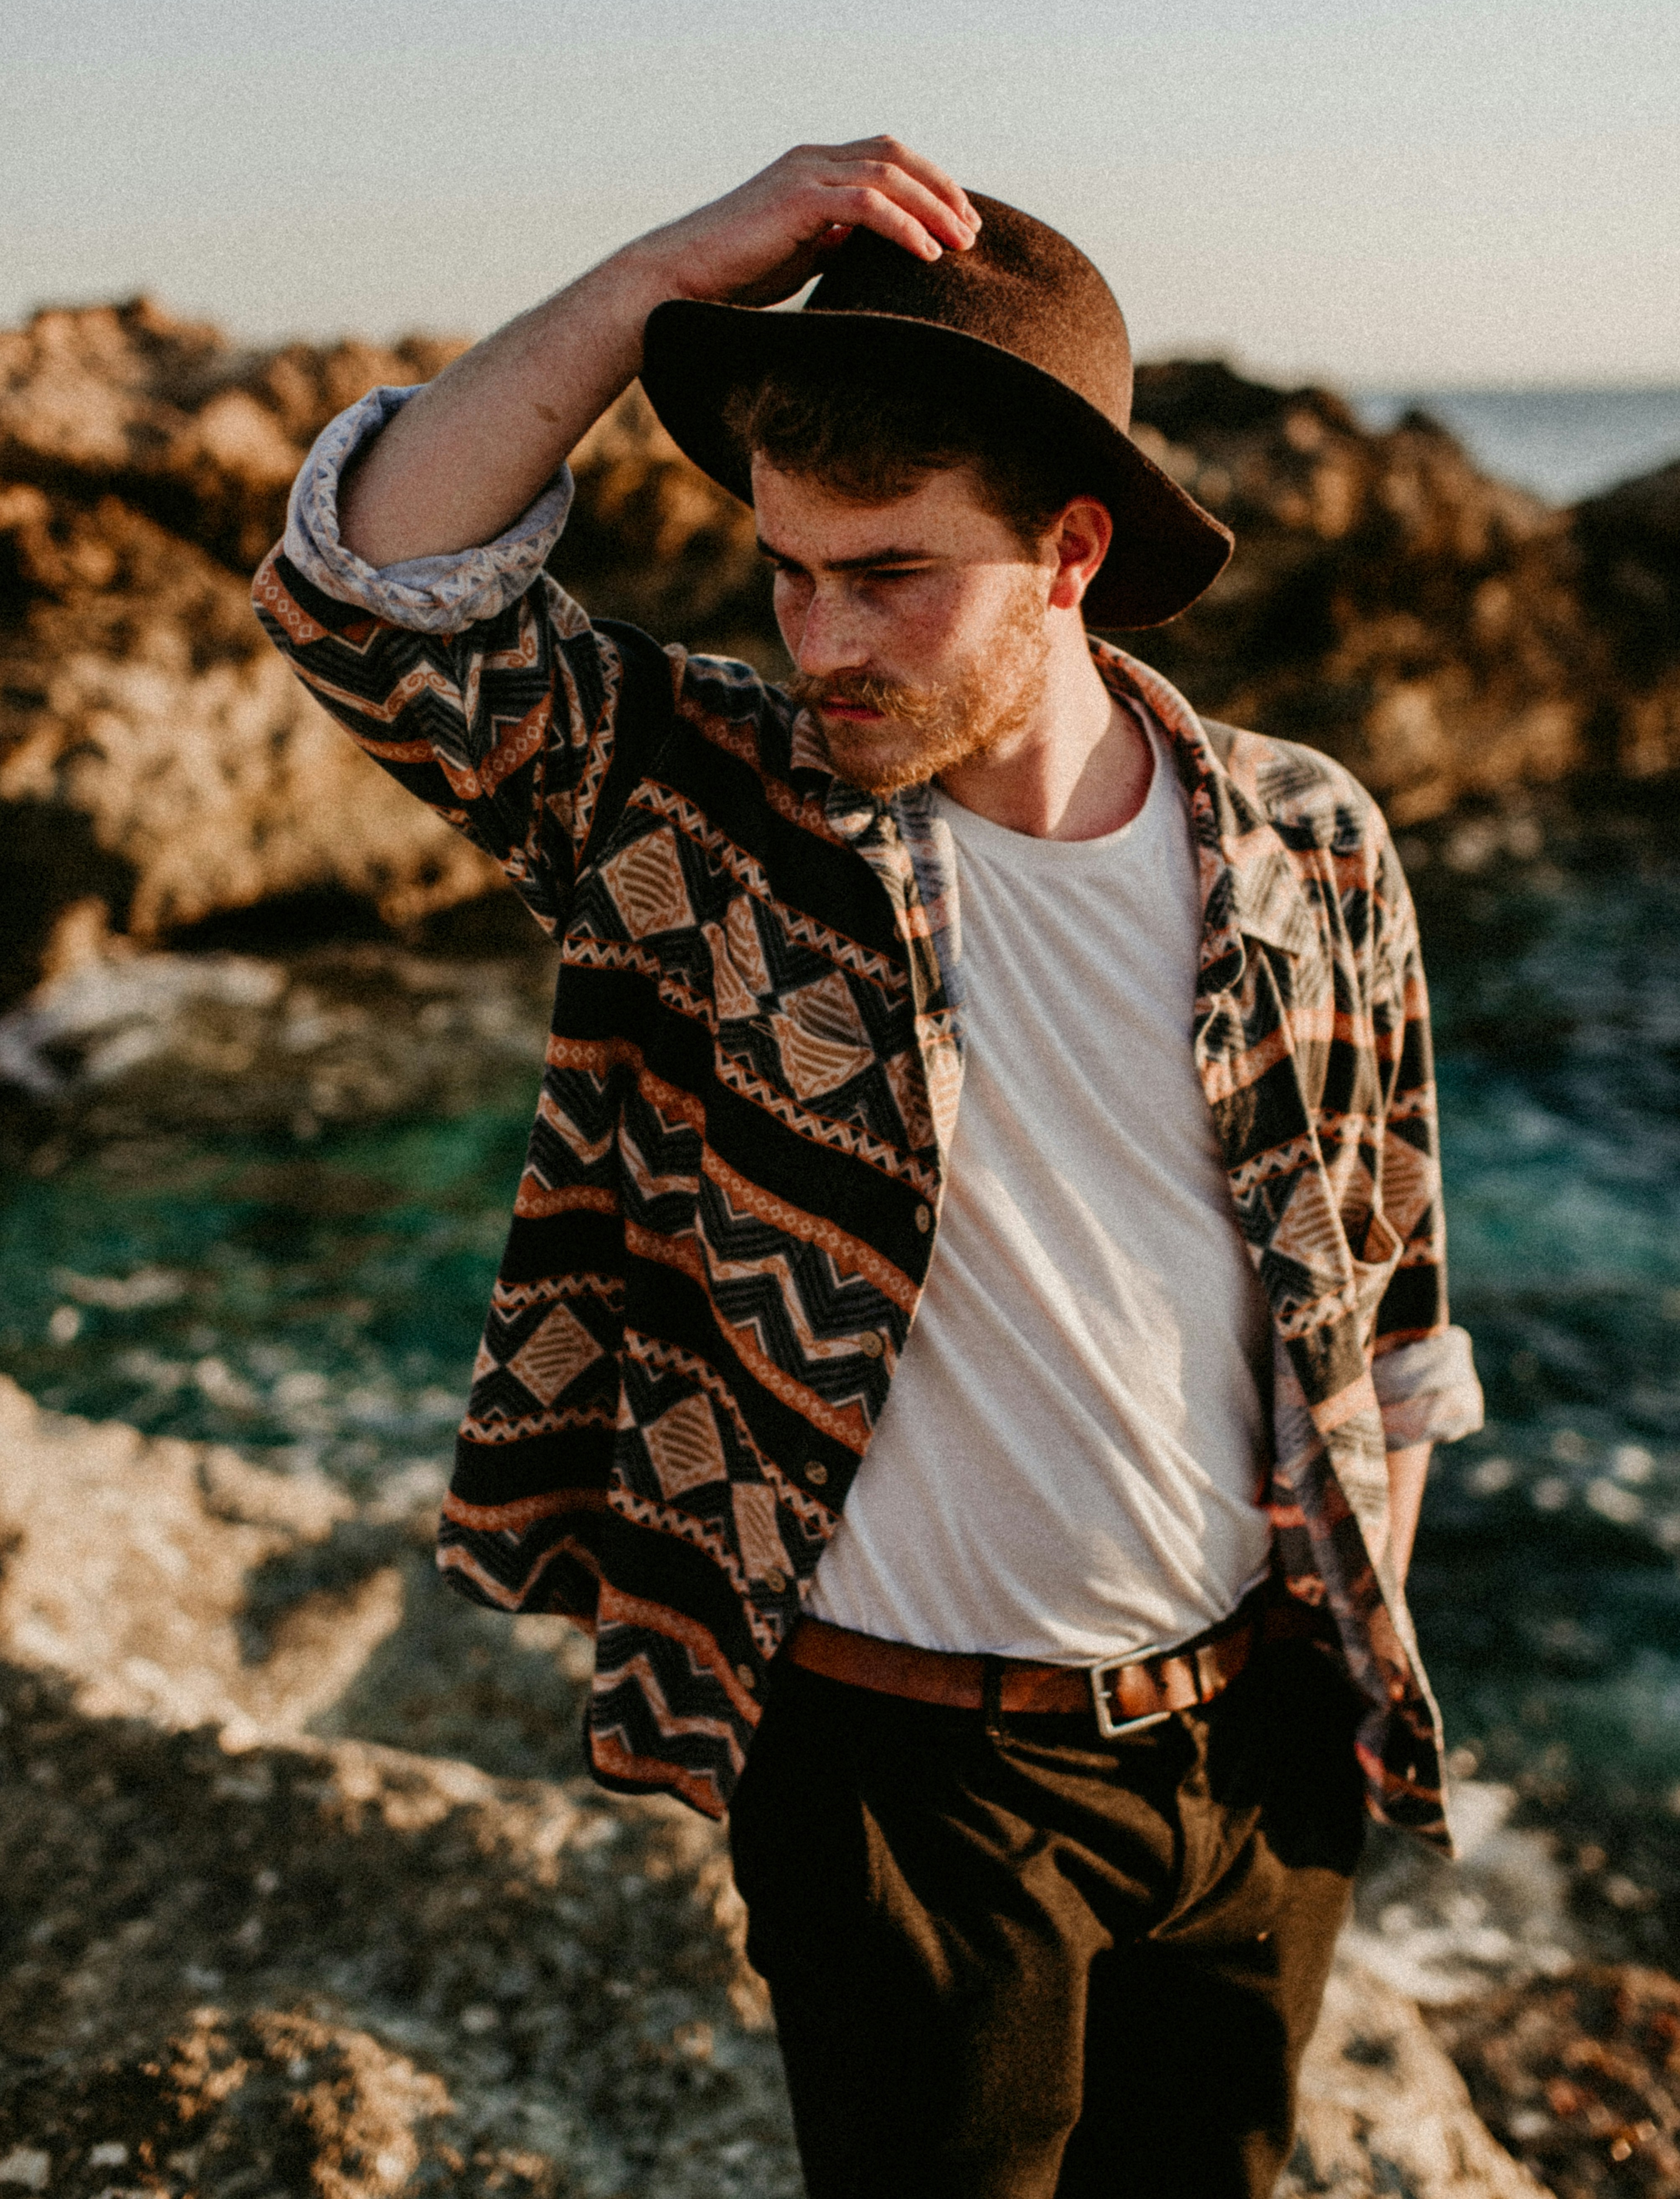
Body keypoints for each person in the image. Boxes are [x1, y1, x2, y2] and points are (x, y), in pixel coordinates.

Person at [256, 136, 1483, 2198]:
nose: (820, 639)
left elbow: (1392, 1308)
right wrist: (674, 267)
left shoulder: (1306, 843)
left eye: (890, 574)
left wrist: (1337, 1705)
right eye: (786, 570)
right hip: (908, 1787)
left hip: (1253, 1757)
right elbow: (366, 589)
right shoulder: (717, 814)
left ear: (1070, 549)